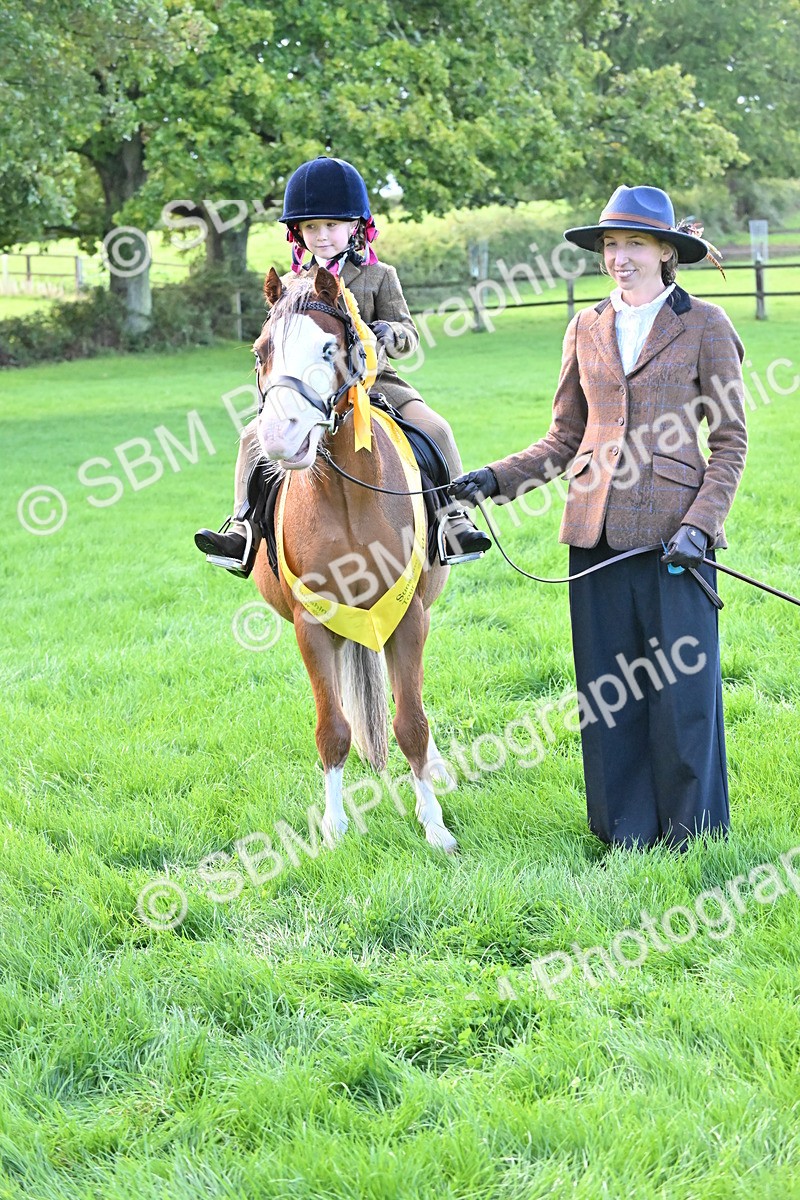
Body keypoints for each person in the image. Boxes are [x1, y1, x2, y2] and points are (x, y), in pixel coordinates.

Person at [452, 184, 748, 850]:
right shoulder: (585, 326)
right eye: (611, 245)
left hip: (679, 540)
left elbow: (730, 441)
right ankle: (625, 835)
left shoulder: (705, 325)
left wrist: (700, 526)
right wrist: (493, 479)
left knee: (684, 698)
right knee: (608, 697)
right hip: (594, 533)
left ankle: (694, 837)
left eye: (635, 243)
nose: (620, 257)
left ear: (667, 251)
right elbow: (563, 438)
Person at [195, 155, 491, 575]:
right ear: (298, 232)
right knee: (250, 438)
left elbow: (409, 332)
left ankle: (453, 521)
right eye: (311, 227)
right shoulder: (294, 287)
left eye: (331, 225)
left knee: (438, 429)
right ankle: (243, 528)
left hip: (377, 385)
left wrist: (390, 332)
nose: (321, 236)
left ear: (355, 226)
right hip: (313, 391)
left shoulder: (379, 275)